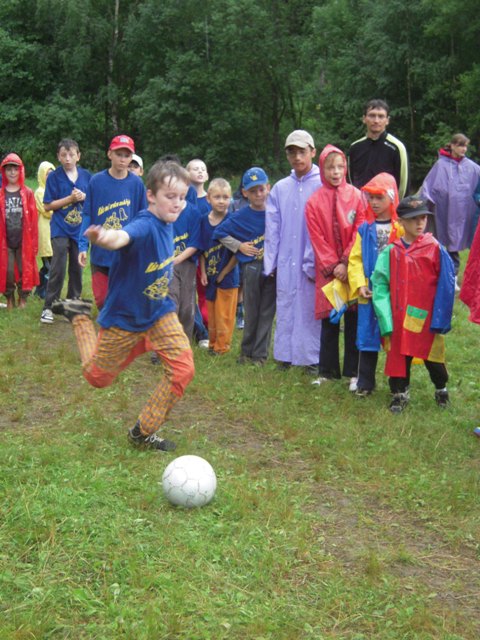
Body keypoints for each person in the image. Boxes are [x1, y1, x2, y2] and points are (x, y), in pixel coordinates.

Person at [51, 161, 195, 451]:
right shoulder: (145, 225)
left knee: (183, 370)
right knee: (97, 377)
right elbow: (123, 236)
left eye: (182, 196)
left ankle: (143, 432)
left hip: (158, 313)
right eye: (170, 196)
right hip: (125, 318)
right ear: (151, 195)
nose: (178, 203)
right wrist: (105, 238)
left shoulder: (168, 222)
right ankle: (79, 316)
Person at [371, 196, 455, 413]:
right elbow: (380, 284)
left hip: (426, 316)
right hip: (399, 317)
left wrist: (440, 317)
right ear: (400, 221)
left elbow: (446, 284)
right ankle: (399, 393)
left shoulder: (434, 248)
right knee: (399, 357)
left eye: (423, 218)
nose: (419, 223)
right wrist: (385, 317)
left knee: (433, 356)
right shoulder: (391, 251)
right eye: (413, 219)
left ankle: (441, 388)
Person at [305, 144, 365, 389]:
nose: (336, 172)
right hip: (329, 272)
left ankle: (354, 372)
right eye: (331, 168)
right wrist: (334, 265)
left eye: (340, 167)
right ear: (322, 169)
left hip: (353, 268)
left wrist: (347, 262)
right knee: (330, 319)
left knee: (353, 320)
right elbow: (317, 238)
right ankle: (327, 371)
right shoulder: (314, 202)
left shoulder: (357, 196)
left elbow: (360, 229)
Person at [264, 130, 322, 371]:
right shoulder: (280, 188)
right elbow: (272, 227)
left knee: (310, 306)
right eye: (292, 152)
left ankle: (311, 357)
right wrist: (271, 262)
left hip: (312, 257)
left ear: (312, 152)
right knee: (286, 302)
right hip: (287, 256)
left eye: (302, 151)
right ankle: (285, 354)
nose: (297, 157)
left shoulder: (322, 185)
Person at [214, 167, 276, 365]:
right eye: (253, 191)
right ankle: (246, 352)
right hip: (251, 267)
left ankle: (260, 355)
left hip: (272, 267)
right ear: (244, 193)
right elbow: (219, 233)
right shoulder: (241, 215)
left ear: (268, 188)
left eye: (261, 189)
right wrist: (239, 246)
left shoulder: (275, 212)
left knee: (267, 312)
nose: (258, 194)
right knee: (252, 310)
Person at [348, 173, 402, 396]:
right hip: (369, 293)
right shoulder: (365, 229)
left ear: (392, 197)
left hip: (394, 294)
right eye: (371, 197)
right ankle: (365, 382)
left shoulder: (400, 229)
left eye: (379, 197)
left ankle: (398, 385)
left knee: (394, 337)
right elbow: (355, 260)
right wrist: (360, 284)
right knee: (367, 335)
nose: (374, 202)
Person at [78, 135, 147, 309]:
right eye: (118, 154)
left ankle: (117, 321)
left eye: (127, 155)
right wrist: (82, 246)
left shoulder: (137, 184)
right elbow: (87, 214)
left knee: (123, 298)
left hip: (126, 252)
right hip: (101, 253)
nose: (122, 159)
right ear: (109, 154)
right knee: (102, 299)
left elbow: (143, 218)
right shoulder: (96, 181)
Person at [40, 139, 91, 324]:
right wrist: (70, 199)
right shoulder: (54, 177)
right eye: (64, 155)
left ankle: (72, 307)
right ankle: (48, 307)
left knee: (77, 268)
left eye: (71, 155)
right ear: (58, 157)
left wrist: (84, 197)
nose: (68, 158)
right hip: (60, 228)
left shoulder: (87, 176)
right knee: (58, 267)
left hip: (80, 230)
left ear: (78, 156)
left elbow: (94, 202)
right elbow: (47, 205)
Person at [420, 133, 480, 288]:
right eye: (460, 145)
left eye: (465, 146)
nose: (463, 149)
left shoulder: (472, 167)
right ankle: (439, 274)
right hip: (443, 211)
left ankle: (453, 276)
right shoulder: (441, 165)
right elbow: (428, 187)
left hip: (461, 214)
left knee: (455, 244)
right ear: (452, 146)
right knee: (440, 243)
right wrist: (422, 203)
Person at [198, 178, 239, 354]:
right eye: (217, 197)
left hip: (228, 277)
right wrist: (203, 272)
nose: (221, 201)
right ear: (208, 198)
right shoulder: (203, 221)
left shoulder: (233, 221)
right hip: (210, 274)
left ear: (230, 199)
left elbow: (238, 252)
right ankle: (213, 343)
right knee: (212, 311)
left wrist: (224, 273)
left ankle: (222, 347)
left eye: (225, 197)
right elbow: (201, 249)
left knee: (224, 314)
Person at [348, 99, 409, 198]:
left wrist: (398, 206)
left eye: (381, 116)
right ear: (364, 119)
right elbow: (350, 180)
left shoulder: (397, 147)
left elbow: (403, 184)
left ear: (387, 120)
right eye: (372, 115)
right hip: (359, 204)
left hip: (387, 205)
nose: (376, 120)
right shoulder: (355, 147)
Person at [0, 153, 39, 308]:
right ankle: (9, 297)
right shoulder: (1, 194)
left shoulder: (28, 193)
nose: (12, 172)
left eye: (15, 169)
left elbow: (34, 220)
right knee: (7, 271)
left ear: (20, 170)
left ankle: (23, 297)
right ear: (4, 171)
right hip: (6, 241)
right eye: (9, 169)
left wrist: (34, 243)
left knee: (25, 269)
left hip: (24, 240)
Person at [169, 181, 201, 341]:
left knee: (187, 308)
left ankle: (183, 344)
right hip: (167, 264)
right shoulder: (163, 211)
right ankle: (164, 346)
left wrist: (178, 258)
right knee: (170, 303)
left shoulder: (193, 212)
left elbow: (195, 243)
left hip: (187, 263)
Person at [34, 161, 55, 299]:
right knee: (49, 265)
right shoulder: (40, 192)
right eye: (47, 174)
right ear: (42, 175)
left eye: (52, 174)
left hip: (53, 232)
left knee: (50, 263)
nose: (50, 177)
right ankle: (44, 291)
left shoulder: (54, 191)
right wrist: (59, 209)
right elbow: (47, 211)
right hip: (44, 232)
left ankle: (39, 288)